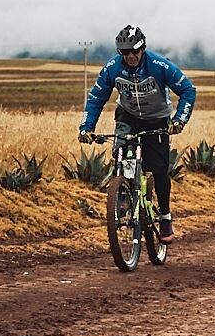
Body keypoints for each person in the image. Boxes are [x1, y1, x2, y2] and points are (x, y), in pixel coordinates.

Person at [78, 25, 196, 241]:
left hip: (157, 119)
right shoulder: (112, 68)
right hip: (128, 116)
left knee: (159, 169)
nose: (130, 56)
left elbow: (188, 90)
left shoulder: (159, 65)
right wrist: (87, 127)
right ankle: (123, 195)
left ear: (143, 48)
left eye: (134, 51)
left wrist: (179, 120)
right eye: (125, 52)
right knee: (121, 153)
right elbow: (96, 97)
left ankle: (165, 217)